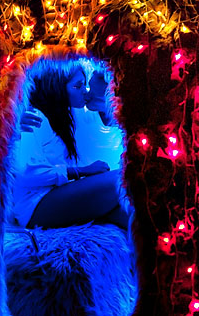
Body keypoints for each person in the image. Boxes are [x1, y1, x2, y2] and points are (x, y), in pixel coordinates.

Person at [12, 56, 131, 231]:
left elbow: (103, 115)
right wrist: (81, 171)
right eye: (78, 86)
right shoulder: (35, 117)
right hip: (35, 205)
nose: (85, 91)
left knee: (126, 212)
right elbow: (28, 174)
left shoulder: (66, 117)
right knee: (120, 179)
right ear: (57, 88)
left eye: (85, 84)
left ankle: (162, 251)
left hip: (54, 196)